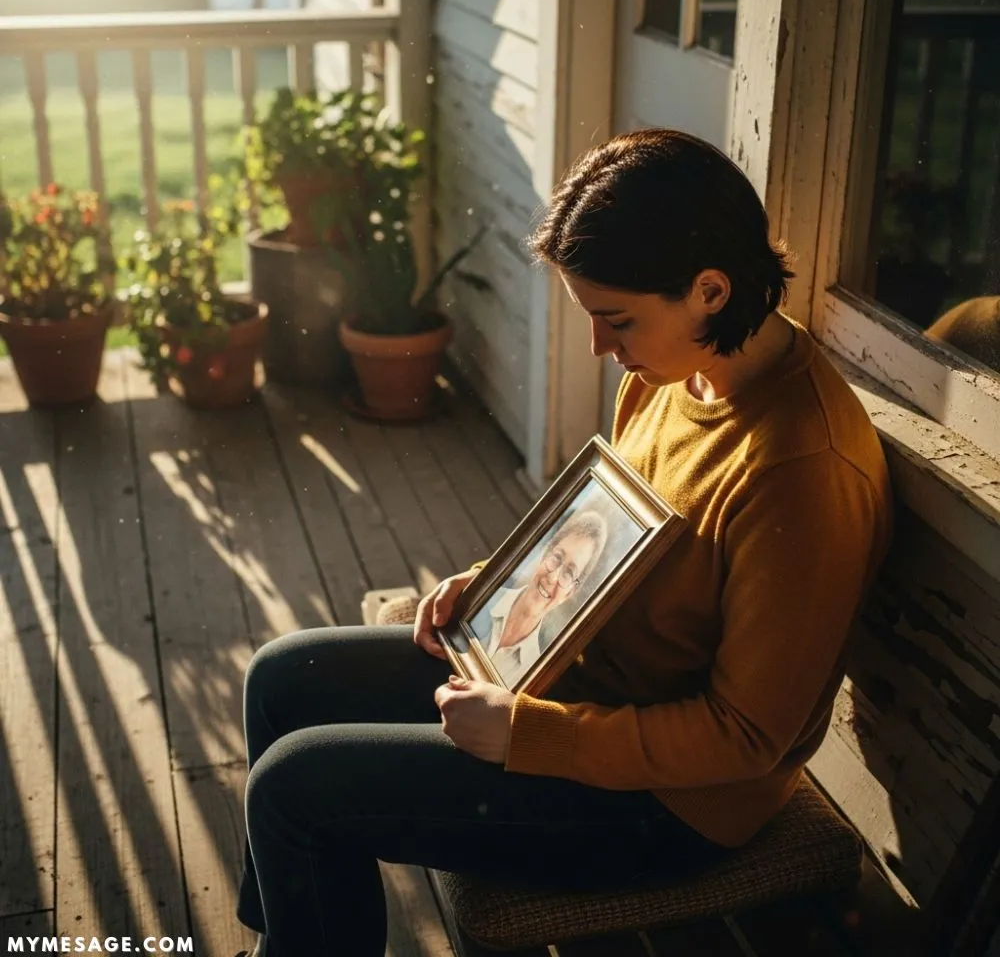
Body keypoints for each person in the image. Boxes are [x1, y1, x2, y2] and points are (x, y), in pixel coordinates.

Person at [234, 129, 893, 957]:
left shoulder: (802, 468)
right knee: (283, 680)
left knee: (297, 790)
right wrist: (489, 587)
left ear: (711, 290)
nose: (599, 348)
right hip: (576, 676)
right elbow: (604, 538)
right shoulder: (681, 372)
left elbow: (745, 737)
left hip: (670, 806)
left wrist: (527, 736)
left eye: (616, 320)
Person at [471, 509, 608, 686]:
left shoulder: (536, 674)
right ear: (545, 554)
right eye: (557, 557)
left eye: (568, 573)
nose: (553, 577)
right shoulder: (481, 598)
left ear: (570, 593)